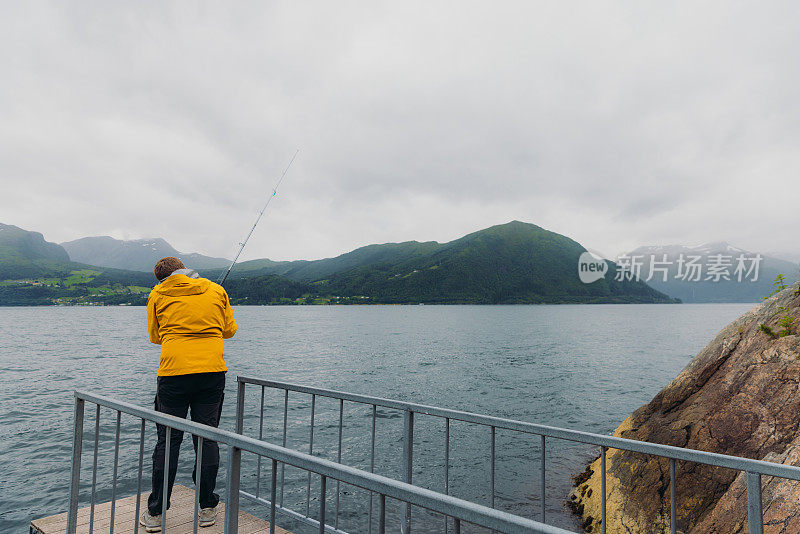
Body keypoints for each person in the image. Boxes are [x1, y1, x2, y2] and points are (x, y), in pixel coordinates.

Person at [140, 257, 237, 532]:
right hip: (211, 372)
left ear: (162, 278)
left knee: (168, 441)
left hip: (173, 373)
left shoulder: (158, 294)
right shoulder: (216, 290)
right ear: (183, 268)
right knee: (207, 438)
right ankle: (207, 508)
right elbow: (229, 330)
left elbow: (155, 336)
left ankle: (156, 513)